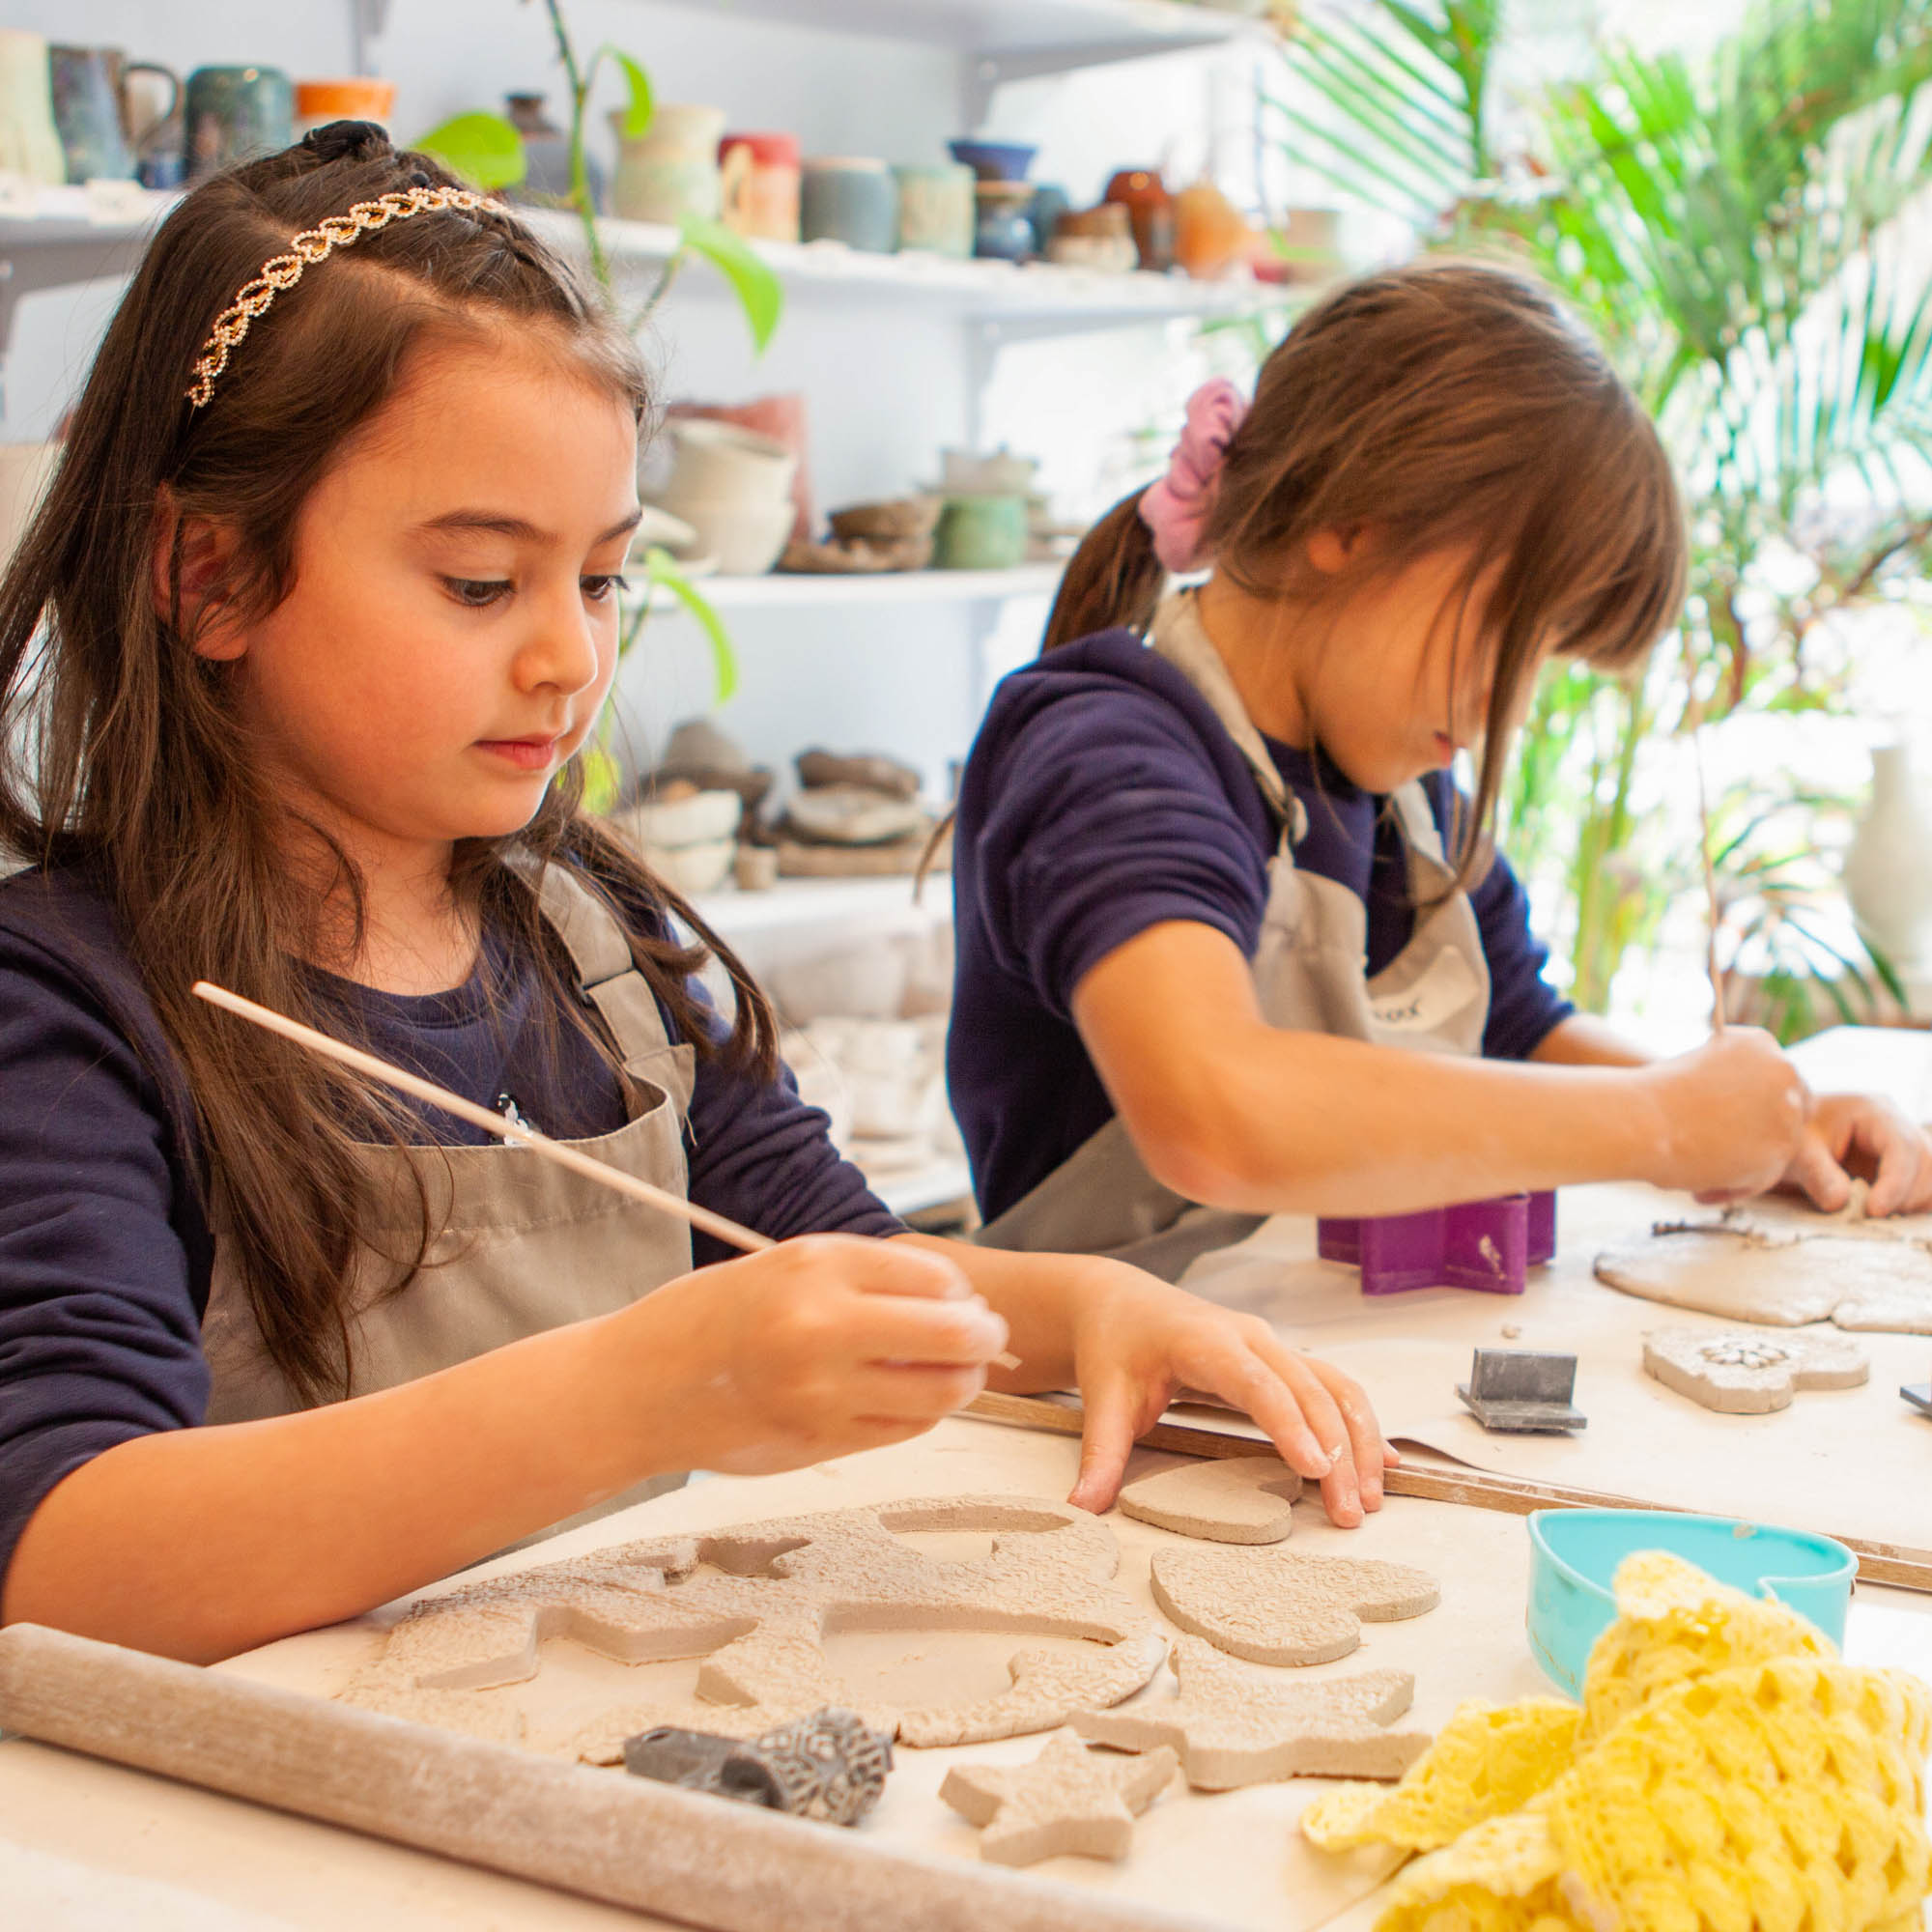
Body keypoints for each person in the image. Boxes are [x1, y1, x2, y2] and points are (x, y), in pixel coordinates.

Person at [0, 127, 1395, 1667]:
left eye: (599, 580)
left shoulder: (592, 946)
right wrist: (637, 1393)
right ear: (210, 579)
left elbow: (828, 1256)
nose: (571, 658)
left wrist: (1080, 1309)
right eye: (481, 583)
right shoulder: (66, 1005)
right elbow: (62, 1550)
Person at [948, 261, 1932, 1280]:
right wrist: (1658, 1121)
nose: (1506, 707)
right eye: (1509, 633)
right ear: (1346, 521)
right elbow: (1212, 1107)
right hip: (1075, 1404)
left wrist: (1769, 1127)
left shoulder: (1398, 797)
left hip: (1311, 1379)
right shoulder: (1106, 749)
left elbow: (1519, 1027)